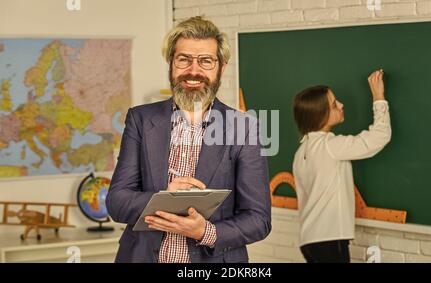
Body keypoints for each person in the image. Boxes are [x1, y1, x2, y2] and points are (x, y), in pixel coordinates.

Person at [106, 16, 271, 263]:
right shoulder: (140, 119)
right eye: (184, 59)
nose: (194, 71)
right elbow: (117, 202)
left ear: (221, 67)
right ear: (171, 63)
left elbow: (258, 219)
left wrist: (206, 232)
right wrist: (162, 197)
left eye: (206, 61)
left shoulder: (243, 127)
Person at [292, 69, 391, 263]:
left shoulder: (302, 151)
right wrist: (378, 97)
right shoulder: (329, 145)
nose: (341, 105)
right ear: (320, 115)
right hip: (329, 238)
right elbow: (379, 137)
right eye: (334, 104)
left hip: (310, 239)